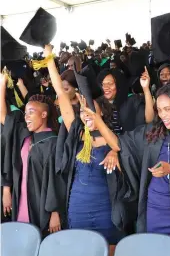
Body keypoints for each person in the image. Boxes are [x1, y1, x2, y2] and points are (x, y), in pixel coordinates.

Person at [82, 81, 170, 250]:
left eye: (167, 109)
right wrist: (97, 120)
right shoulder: (154, 133)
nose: (162, 115)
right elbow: (120, 145)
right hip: (153, 208)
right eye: (159, 110)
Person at [45, 45, 134, 256]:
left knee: (109, 250)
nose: (87, 115)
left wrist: (112, 151)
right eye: (84, 111)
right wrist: (49, 57)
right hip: (78, 205)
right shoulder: (76, 133)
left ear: (101, 111)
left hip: (106, 207)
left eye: (92, 110)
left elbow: (119, 147)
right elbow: (60, 92)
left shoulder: (113, 139)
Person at [0, 73, 65, 237]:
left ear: (44, 115)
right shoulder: (26, 137)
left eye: (31, 112)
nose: (26, 117)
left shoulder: (54, 142)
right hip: (21, 201)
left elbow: (56, 180)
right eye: (25, 113)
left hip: (42, 207)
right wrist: (2, 85)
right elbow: (4, 119)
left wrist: (55, 212)